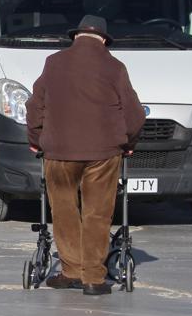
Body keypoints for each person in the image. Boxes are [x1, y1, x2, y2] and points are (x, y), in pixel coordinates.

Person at [27, 15, 145, 296]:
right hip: (103, 153)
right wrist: (129, 143)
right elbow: (135, 115)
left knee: (64, 208)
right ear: (104, 40)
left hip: (59, 151)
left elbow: (35, 107)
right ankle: (93, 277)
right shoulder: (115, 67)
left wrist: (36, 140)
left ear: (75, 37)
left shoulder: (53, 63)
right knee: (97, 213)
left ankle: (70, 271)